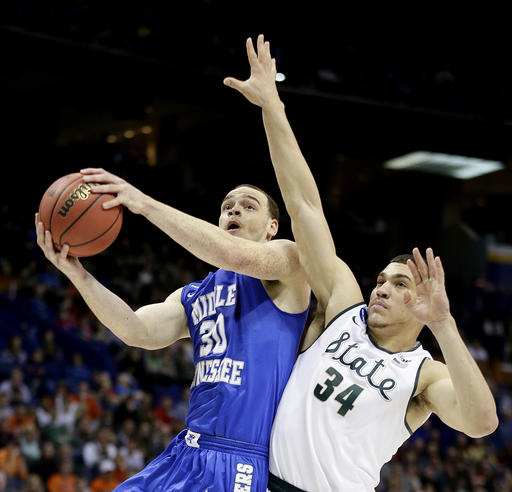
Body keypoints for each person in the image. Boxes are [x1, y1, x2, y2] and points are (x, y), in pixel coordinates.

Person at [223, 34, 499, 491]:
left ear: (422, 303)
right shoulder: (344, 308)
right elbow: (305, 207)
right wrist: (273, 108)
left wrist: (445, 325)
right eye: (382, 280)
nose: (382, 288)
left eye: (399, 283)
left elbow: (482, 422)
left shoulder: (423, 374)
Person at [35, 169, 310, 491]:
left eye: (248, 206)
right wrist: (76, 272)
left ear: (272, 227)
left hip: (236, 459)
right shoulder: (194, 295)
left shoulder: (290, 261)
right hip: (185, 451)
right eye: (227, 207)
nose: (234, 210)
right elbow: (135, 330)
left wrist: (143, 204)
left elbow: (229, 253)